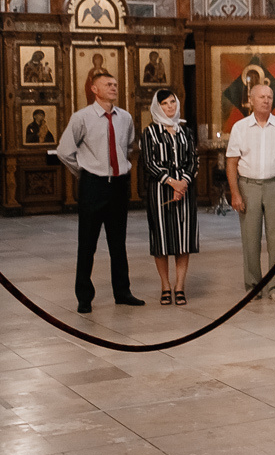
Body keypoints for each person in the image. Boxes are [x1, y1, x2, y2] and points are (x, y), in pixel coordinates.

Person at [56, 72, 146, 313]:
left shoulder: (125, 118)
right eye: (108, 84)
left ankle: (122, 292)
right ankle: (84, 297)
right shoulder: (81, 118)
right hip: (93, 185)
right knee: (87, 243)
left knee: (118, 243)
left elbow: (127, 146)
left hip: (118, 185)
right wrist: (84, 173)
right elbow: (64, 151)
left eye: (116, 84)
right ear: (94, 89)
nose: (114, 87)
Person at [225, 83, 275, 301]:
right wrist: (235, 193)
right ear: (251, 100)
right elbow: (231, 163)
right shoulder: (240, 127)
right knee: (251, 237)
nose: (266, 100)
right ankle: (253, 284)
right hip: (248, 186)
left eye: (269, 97)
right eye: (261, 97)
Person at [140, 90, 199, 306]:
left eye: (173, 102)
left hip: (185, 190)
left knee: (183, 239)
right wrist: (171, 182)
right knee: (162, 239)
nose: (170, 107)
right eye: (164, 104)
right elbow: (149, 162)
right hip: (160, 190)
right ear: (157, 107)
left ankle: (180, 286)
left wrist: (182, 182)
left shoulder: (186, 132)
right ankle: (165, 285)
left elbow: (193, 160)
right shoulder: (150, 132)